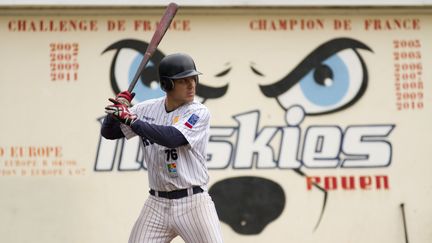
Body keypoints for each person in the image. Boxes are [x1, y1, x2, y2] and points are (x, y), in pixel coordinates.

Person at [101, 53, 224, 243]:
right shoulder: (146, 109)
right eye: (183, 81)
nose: (191, 85)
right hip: (157, 204)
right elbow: (109, 133)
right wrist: (116, 111)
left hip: (193, 203)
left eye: (193, 78)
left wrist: (130, 119)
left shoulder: (198, 111)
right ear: (167, 84)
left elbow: (172, 138)